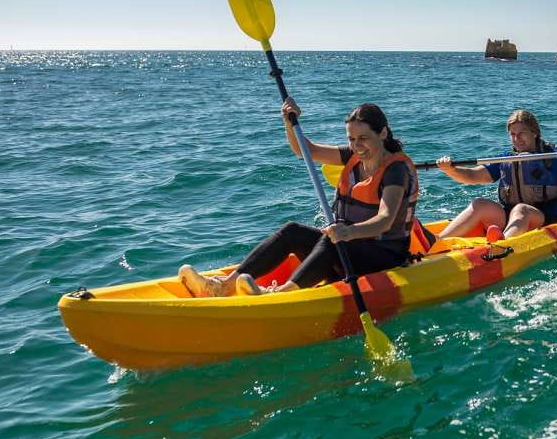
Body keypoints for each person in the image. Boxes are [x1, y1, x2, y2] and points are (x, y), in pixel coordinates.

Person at [178, 100, 419, 297]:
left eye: (363, 138)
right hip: (348, 250)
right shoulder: (352, 156)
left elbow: (385, 220)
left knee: (334, 238)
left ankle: (283, 294)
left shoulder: (395, 170)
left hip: (384, 257)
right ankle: (224, 286)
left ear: (383, 132)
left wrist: (347, 233)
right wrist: (289, 122)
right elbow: (306, 150)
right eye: (351, 139)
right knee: (293, 231)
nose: (357, 146)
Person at [435, 110, 557, 240]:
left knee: (521, 209)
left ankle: (500, 246)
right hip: (513, 218)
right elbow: (472, 176)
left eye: (522, 133)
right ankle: (437, 241)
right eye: (512, 134)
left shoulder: (556, 157)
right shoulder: (506, 159)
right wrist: (450, 169)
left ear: (534, 133)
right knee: (480, 204)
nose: (517, 139)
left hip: (547, 216)